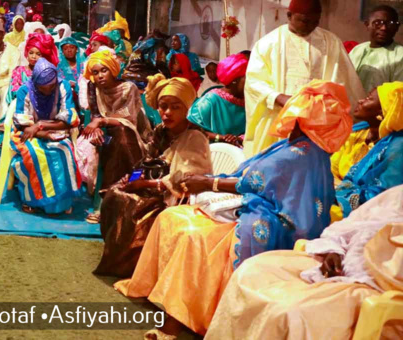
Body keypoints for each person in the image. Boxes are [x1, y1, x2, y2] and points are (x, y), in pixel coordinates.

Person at [116, 80, 353, 339]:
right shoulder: (295, 144)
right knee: (172, 217)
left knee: (198, 238)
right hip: (251, 202)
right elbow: (249, 176)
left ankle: (178, 319)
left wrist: (207, 183)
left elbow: (255, 181)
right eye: (163, 106)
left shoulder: (302, 151)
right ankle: (159, 294)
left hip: (276, 221)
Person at [206, 182, 403, 340]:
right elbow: (349, 226)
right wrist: (332, 250)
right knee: (252, 271)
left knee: (289, 312)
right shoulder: (397, 194)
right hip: (337, 265)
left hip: (376, 291)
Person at [95, 75, 209, 277]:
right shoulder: (161, 131)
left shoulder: (195, 137)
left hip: (179, 197)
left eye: (175, 107)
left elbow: (186, 180)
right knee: (115, 192)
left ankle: (135, 266)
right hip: (154, 187)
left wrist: (145, 184)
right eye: (163, 107)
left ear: (186, 109)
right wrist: (131, 180)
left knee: (133, 205)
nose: (167, 113)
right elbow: (147, 160)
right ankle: (120, 260)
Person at [244, 0, 365, 157]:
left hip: (318, 123)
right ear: (289, 15)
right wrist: (279, 97)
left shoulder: (331, 42)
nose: (310, 26)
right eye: (304, 21)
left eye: (315, 21)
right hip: (278, 119)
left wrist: (321, 105)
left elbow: (343, 81)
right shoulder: (268, 43)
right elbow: (254, 82)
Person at [76, 50, 152, 223]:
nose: (100, 76)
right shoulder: (93, 88)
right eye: (95, 72)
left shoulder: (128, 88)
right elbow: (95, 115)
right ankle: (136, 187)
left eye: (104, 70)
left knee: (122, 137)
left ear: (112, 69)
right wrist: (97, 129)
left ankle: (107, 198)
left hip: (133, 132)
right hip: (107, 132)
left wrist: (101, 122)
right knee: (117, 139)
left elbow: (128, 118)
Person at [8, 59, 82, 214]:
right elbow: (22, 123)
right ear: (36, 83)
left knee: (64, 152)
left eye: (51, 86)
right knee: (33, 155)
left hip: (55, 131)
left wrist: (40, 125)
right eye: (43, 88)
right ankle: (32, 200)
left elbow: (69, 120)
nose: (48, 91)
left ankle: (62, 201)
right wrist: (41, 133)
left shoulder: (63, 86)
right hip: (29, 133)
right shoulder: (24, 90)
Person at [333, 82, 403, 221]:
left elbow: (381, 194)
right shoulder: (355, 133)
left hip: (369, 213)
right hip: (341, 194)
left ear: (382, 112)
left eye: (368, 99)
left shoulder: (396, 147)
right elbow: (331, 168)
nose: (360, 100)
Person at [187, 52, 248, 145]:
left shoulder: (247, 100)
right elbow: (190, 130)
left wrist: (240, 138)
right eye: (247, 78)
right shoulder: (210, 101)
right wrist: (220, 137)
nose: (251, 82)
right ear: (235, 80)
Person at [350, 5, 403, 92]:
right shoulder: (357, 50)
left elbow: (399, 92)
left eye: (390, 23)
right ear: (367, 25)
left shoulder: (400, 55)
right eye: (378, 23)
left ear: (397, 27)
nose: (383, 28)